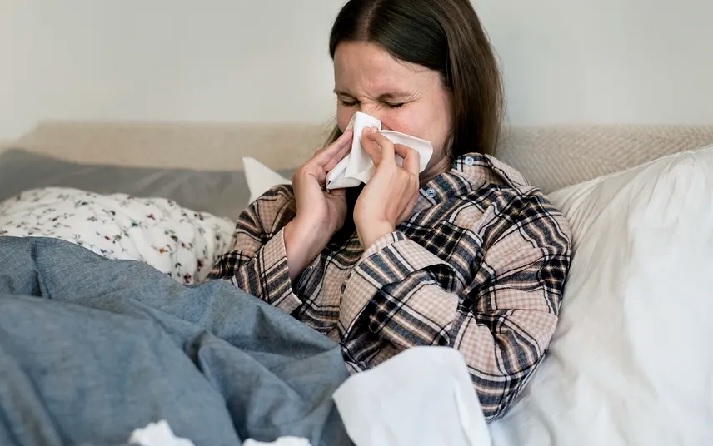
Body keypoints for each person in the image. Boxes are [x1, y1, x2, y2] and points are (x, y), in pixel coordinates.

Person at [210, 0, 572, 421]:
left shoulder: (516, 225)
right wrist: (305, 235)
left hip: (330, 445)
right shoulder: (281, 210)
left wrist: (381, 238)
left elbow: (487, 387)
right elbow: (193, 337)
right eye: (348, 99)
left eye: (393, 102)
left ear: (460, 93)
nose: (365, 126)